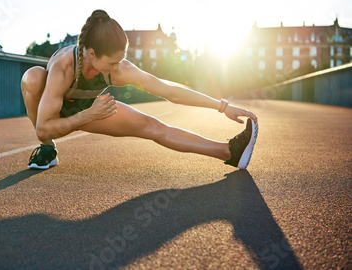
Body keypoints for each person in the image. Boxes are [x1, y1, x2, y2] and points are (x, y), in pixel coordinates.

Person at [21, 10, 258, 170]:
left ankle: (229, 153)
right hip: (60, 113)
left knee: (153, 127)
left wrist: (222, 105)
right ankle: (48, 151)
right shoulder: (64, 67)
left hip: (89, 110)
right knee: (32, 77)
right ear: (92, 54)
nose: (118, 68)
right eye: (113, 62)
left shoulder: (119, 69)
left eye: (121, 60)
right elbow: (43, 128)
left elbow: (170, 91)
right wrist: (88, 115)